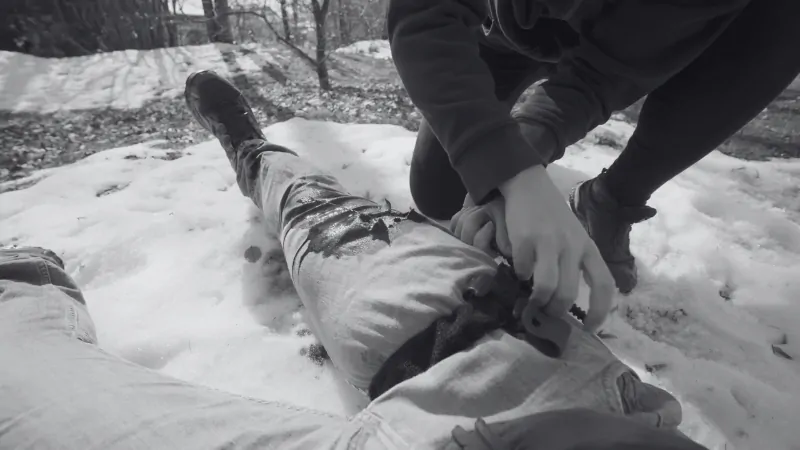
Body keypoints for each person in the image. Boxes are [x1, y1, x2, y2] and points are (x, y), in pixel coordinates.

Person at [0, 71, 709, 450]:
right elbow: (431, 27)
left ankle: (23, 300)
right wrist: (517, 171)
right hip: (514, 358)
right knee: (321, 214)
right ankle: (259, 157)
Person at [388, 0, 800, 305]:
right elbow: (423, 14)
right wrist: (497, 161)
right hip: (499, 31)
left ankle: (612, 198)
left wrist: (517, 171)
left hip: (615, 37)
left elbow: (597, 79)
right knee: (437, 193)